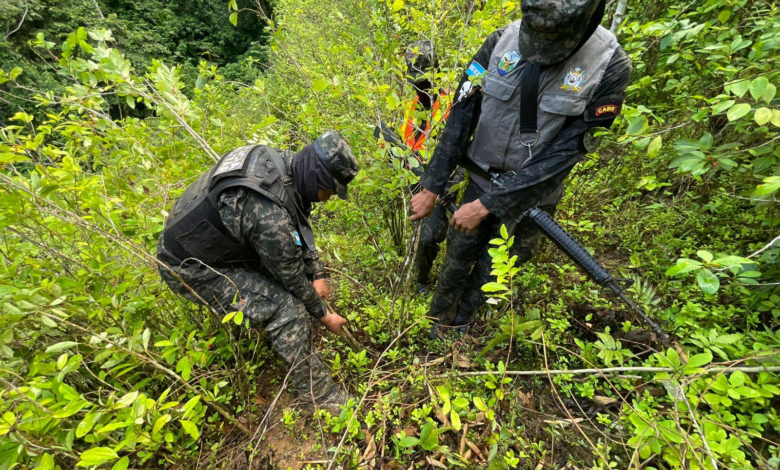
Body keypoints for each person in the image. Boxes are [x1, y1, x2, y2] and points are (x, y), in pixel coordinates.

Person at [409, 0, 632, 338]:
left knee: (496, 268)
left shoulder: (610, 67)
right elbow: (461, 115)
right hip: (479, 180)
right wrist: (432, 185)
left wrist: (489, 205)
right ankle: (438, 322)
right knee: (458, 254)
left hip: (534, 197)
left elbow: (567, 152)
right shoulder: (499, 43)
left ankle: (464, 323)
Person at [156, 131, 360, 412]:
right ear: (315, 177)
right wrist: (324, 315)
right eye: (329, 190)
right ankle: (320, 397)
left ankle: (297, 342)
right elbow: (290, 275)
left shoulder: (282, 165)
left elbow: (296, 216)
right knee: (287, 309)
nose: (327, 199)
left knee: (289, 279)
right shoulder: (269, 218)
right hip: (190, 268)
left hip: (215, 244)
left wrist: (318, 273)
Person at [400, 40, 465, 293]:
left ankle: (423, 280)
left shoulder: (453, 105)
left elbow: (463, 149)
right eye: (415, 81)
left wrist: (449, 185)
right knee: (419, 234)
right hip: (414, 178)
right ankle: (417, 274)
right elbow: (404, 141)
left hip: (440, 183)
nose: (419, 86)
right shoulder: (411, 105)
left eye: (423, 80)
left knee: (431, 236)